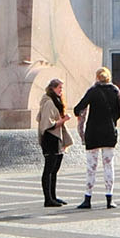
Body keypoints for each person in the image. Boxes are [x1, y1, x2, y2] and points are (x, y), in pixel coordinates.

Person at [71, 66, 120, 209]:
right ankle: (109, 199)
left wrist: (81, 117)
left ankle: (88, 198)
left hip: (93, 133)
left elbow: (78, 108)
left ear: (97, 78)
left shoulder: (93, 91)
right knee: (109, 166)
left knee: (91, 167)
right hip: (109, 133)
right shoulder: (115, 91)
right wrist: (111, 120)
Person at [35, 78, 72, 207]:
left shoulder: (55, 101)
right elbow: (48, 124)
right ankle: (48, 199)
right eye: (59, 88)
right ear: (53, 88)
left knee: (54, 169)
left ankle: (53, 196)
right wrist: (63, 120)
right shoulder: (49, 103)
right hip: (51, 138)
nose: (61, 91)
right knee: (49, 169)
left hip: (56, 138)